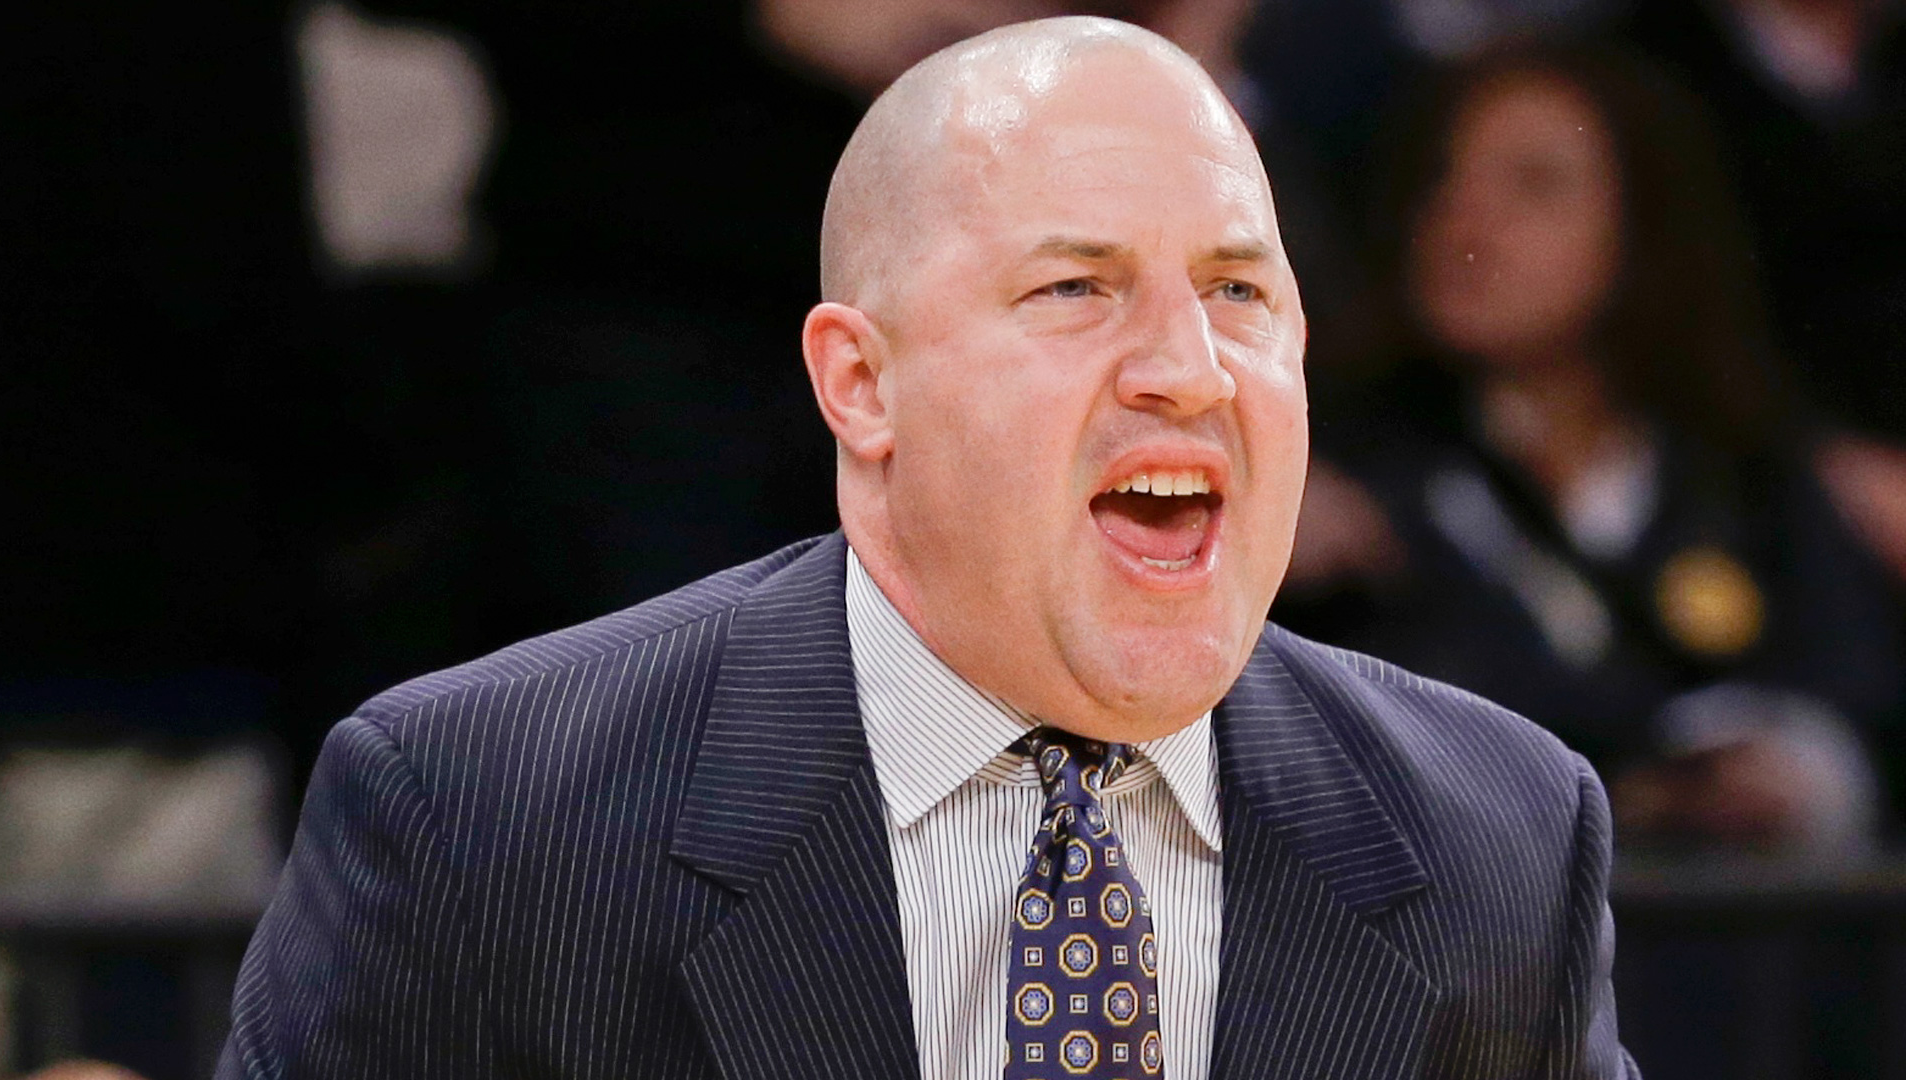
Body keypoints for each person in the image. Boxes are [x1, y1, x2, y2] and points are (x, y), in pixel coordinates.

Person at [216, 17, 1637, 1079]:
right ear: (863, 383)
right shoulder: (481, 823)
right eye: (1076, 287)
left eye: (1237, 293)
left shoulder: (1502, 838)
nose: (1189, 370)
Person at [1282, 42, 1903, 855]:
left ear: (1642, 226)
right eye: (1441, 179)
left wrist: (1789, 775)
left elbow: (1858, 699)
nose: (1466, 220)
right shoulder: (1331, 477)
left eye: (1534, 185)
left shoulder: (1745, 473)